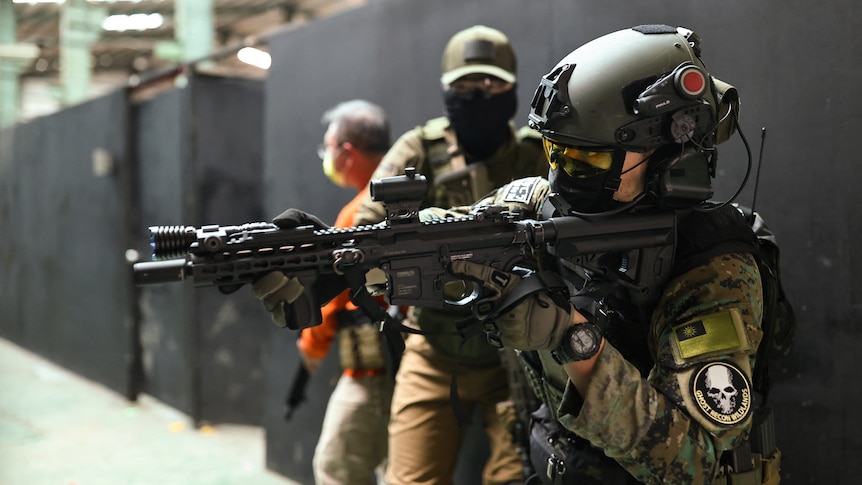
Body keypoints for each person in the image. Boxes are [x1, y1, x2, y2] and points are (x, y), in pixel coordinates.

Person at [420, 24, 781, 484]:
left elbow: (693, 464)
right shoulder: (539, 202)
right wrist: (339, 257)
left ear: (671, 154)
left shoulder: (713, 268)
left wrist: (573, 339)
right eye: (556, 152)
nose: (561, 175)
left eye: (586, 160)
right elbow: (446, 238)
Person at [350, 25, 548, 485]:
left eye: (491, 84)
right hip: (435, 343)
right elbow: (364, 235)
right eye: (464, 86)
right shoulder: (417, 150)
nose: (478, 94)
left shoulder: (536, 156)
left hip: (522, 350)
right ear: (445, 91)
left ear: (513, 90)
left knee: (519, 477)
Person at [298, 99, 393, 485]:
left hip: (372, 371)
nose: (326, 155)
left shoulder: (357, 213)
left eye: (328, 146)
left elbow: (330, 300)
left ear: (347, 152)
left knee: (336, 469)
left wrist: (310, 347)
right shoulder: (403, 197)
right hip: (412, 364)